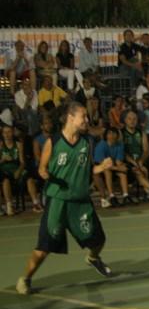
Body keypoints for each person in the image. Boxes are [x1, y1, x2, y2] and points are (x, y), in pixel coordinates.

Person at [15, 102, 113, 295]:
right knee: (44, 247)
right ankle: (25, 278)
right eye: (83, 116)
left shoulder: (87, 142)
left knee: (98, 240)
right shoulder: (53, 142)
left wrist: (101, 167)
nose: (86, 120)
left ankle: (93, 258)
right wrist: (44, 173)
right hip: (58, 200)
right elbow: (42, 168)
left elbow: (88, 169)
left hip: (81, 201)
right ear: (71, 117)